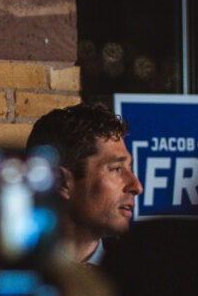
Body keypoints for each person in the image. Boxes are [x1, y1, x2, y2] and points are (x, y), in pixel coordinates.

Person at [26, 102, 143, 264]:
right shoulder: (8, 275)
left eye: (129, 168)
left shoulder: (136, 272)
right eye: (116, 169)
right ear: (61, 182)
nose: (137, 186)